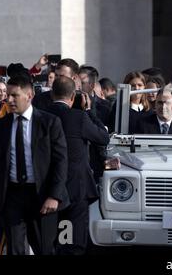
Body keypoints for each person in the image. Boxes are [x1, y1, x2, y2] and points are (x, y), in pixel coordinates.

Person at [0, 76, 69, 255]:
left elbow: (61, 161)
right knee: (15, 249)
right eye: (7, 96)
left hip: (42, 196)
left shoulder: (49, 123)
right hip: (11, 196)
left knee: (44, 248)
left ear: (29, 95)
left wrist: (54, 196)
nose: (9, 100)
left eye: (14, 95)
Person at [47, 76, 109, 254]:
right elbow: (103, 138)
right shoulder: (79, 117)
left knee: (51, 239)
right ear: (73, 96)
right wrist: (89, 110)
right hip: (76, 186)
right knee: (73, 241)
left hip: (48, 186)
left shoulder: (40, 114)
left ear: (52, 93)